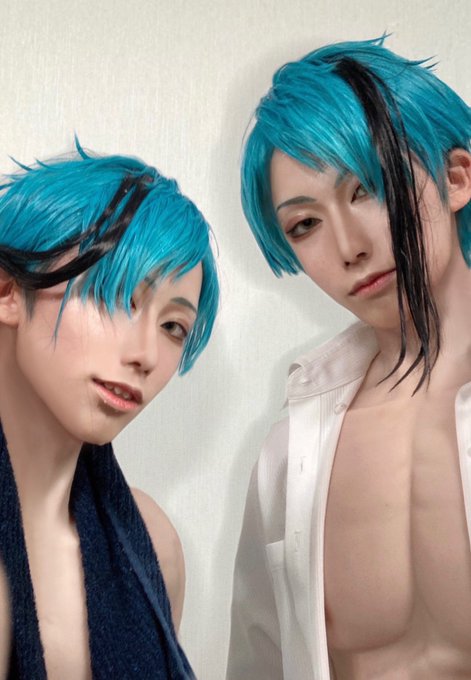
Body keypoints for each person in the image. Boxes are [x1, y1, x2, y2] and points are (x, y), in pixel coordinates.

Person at [227, 37, 471, 679]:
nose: (349, 246)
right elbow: (258, 664)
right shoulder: (292, 452)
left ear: (456, 178)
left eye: (370, 188)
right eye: (304, 224)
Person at [0, 143, 219, 680]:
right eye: (115, 297)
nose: (146, 354)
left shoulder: (153, 546)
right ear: (7, 290)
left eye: (173, 327)